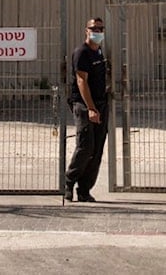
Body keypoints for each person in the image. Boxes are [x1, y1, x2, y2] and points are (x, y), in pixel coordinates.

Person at [65, 16, 109, 202]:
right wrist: (90, 108)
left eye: (100, 29)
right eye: (94, 28)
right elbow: (82, 80)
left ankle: (84, 189)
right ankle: (68, 182)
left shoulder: (99, 52)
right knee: (85, 145)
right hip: (84, 105)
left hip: (100, 103)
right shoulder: (81, 52)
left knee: (97, 149)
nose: (97, 32)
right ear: (86, 30)